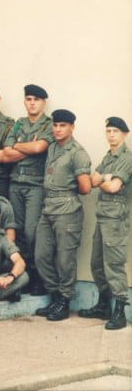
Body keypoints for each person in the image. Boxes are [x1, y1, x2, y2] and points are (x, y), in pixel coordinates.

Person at [34, 109, 91, 322]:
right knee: (41, 255)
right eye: (55, 125)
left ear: (72, 127)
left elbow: (85, 187)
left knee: (65, 259)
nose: (57, 129)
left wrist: (67, 191)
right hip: (48, 208)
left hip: (67, 210)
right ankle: (55, 296)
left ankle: (64, 302)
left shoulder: (77, 153)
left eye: (63, 126)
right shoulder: (52, 148)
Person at [79, 117, 131, 330]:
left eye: (115, 131)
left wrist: (104, 179)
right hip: (102, 218)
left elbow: (113, 187)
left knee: (114, 265)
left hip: (115, 220)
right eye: (108, 131)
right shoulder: (108, 157)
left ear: (124, 134)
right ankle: (103, 305)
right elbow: (92, 181)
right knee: (96, 264)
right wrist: (106, 178)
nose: (111, 135)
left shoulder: (126, 158)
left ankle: (120, 312)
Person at [1, 84, 53, 295]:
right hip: (16, 182)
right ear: (25, 102)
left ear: (43, 103)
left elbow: (40, 147)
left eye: (36, 100)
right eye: (29, 99)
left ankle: (37, 275)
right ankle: (22, 275)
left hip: (35, 185)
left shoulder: (48, 124)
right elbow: (6, 151)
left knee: (32, 233)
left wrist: (20, 146)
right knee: (18, 230)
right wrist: (28, 147)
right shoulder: (18, 124)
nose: (32, 103)